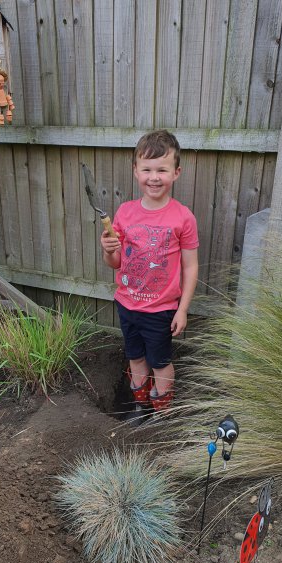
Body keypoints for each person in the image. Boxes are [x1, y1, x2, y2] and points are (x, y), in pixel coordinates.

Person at [101, 129, 199, 423]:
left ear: (176, 172)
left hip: (161, 309)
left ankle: (161, 412)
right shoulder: (125, 212)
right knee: (136, 358)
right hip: (127, 304)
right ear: (136, 171)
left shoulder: (182, 217)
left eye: (162, 170)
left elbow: (191, 267)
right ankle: (139, 406)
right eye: (147, 169)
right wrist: (107, 250)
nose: (154, 177)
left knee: (159, 362)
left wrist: (182, 309)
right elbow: (116, 263)